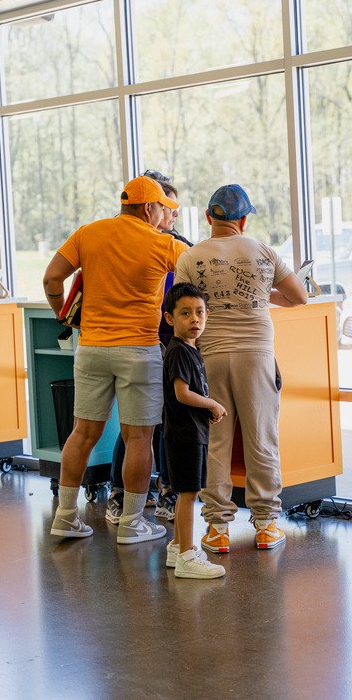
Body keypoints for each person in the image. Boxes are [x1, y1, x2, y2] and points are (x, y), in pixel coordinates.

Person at [43, 175, 188, 542]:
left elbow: (52, 279)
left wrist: (64, 316)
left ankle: (65, 515)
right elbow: (197, 279)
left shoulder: (88, 233)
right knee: (139, 437)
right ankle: (132, 522)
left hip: (91, 348)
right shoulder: (164, 244)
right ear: (149, 208)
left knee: (82, 433)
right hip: (138, 350)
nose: (165, 216)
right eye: (163, 209)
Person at [174, 184, 308, 552]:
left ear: (208, 217)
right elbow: (298, 296)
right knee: (261, 439)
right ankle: (265, 525)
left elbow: (182, 308)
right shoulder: (263, 251)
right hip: (257, 355)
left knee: (216, 442)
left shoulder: (190, 257)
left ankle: (217, 529)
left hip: (210, 356)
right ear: (244, 220)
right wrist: (260, 295)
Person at [106, 171, 193, 526]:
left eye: (174, 208)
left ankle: (166, 491)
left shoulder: (179, 245)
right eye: (166, 208)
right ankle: (120, 493)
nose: (172, 214)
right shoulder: (127, 243)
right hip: (141, 342)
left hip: (172, 343)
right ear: (150, 209)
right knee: (138, 426)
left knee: (167, 421)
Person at [162, 282, 227, 579]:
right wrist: (212, 404)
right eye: (185, 313)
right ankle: (187, 556)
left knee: (186, 493)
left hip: (190, 432)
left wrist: (205, 411)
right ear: (170, 318)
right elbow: (182, 393)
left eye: (199, 312)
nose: (195, 319)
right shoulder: (179, 352)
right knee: (188, 494)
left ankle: (178, 547)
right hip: (184, 435)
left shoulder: (190, 349)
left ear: (207, 315)